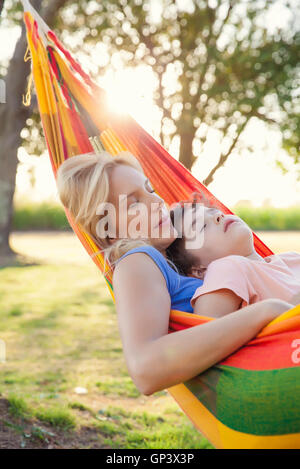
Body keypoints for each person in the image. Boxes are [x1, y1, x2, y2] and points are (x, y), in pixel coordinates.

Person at [56, 150, 294, 396]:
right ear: (110, 230)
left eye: (150, 190)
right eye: (134, 203)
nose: (157, 202)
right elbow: (145, 369)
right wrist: (268, 311)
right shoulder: (137, 262)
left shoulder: (178, 258)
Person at [167, 200, 300, 318]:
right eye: (202, 227)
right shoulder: (226, 268)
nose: (218, 216)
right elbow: (209, 334)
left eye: (214, 212)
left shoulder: (292, 258)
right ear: (199, 270)